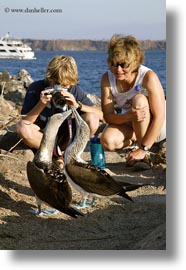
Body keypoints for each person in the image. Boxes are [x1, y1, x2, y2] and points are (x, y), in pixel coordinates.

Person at [17, 55, 103, 168]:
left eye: (65, 85)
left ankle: (69, 153)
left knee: (92, 118)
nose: (61, 88)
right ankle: (56, 155)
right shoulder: (36, 88)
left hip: (66, 136)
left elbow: (100, 115)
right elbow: (26, 122)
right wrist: (41, 104)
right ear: (50, 78)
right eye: (57, 83)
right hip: (43, 137)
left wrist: (77, 105)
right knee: (22, 128)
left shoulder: (74, 90)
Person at [100, 35, 166, 169]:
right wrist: (128, 116)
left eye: (123, 65)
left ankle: (144, 155)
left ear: (135, 62)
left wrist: (143, 148)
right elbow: (108, 116)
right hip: (133, 123)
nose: (118, 69)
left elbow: (160, 116)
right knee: (107, 141)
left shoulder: (148, 77)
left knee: (139, 99)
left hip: (158, 126)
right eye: (114, 64)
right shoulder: (107, 78)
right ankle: (137, 139)